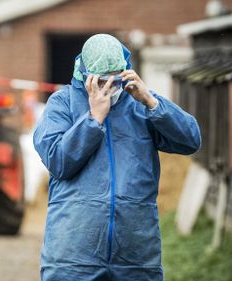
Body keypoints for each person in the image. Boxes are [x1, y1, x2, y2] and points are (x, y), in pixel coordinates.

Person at [33, 34, 200, 281]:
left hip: (135, 258)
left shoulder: (140, 104)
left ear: (126, 73)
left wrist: (152, 103)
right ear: (84, 73)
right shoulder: (62, 103)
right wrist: (93, 119)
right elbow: (58, 160)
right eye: (100, 81)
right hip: (74, 258)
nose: (108, 88)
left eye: (115, 80)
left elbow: (190, 141)